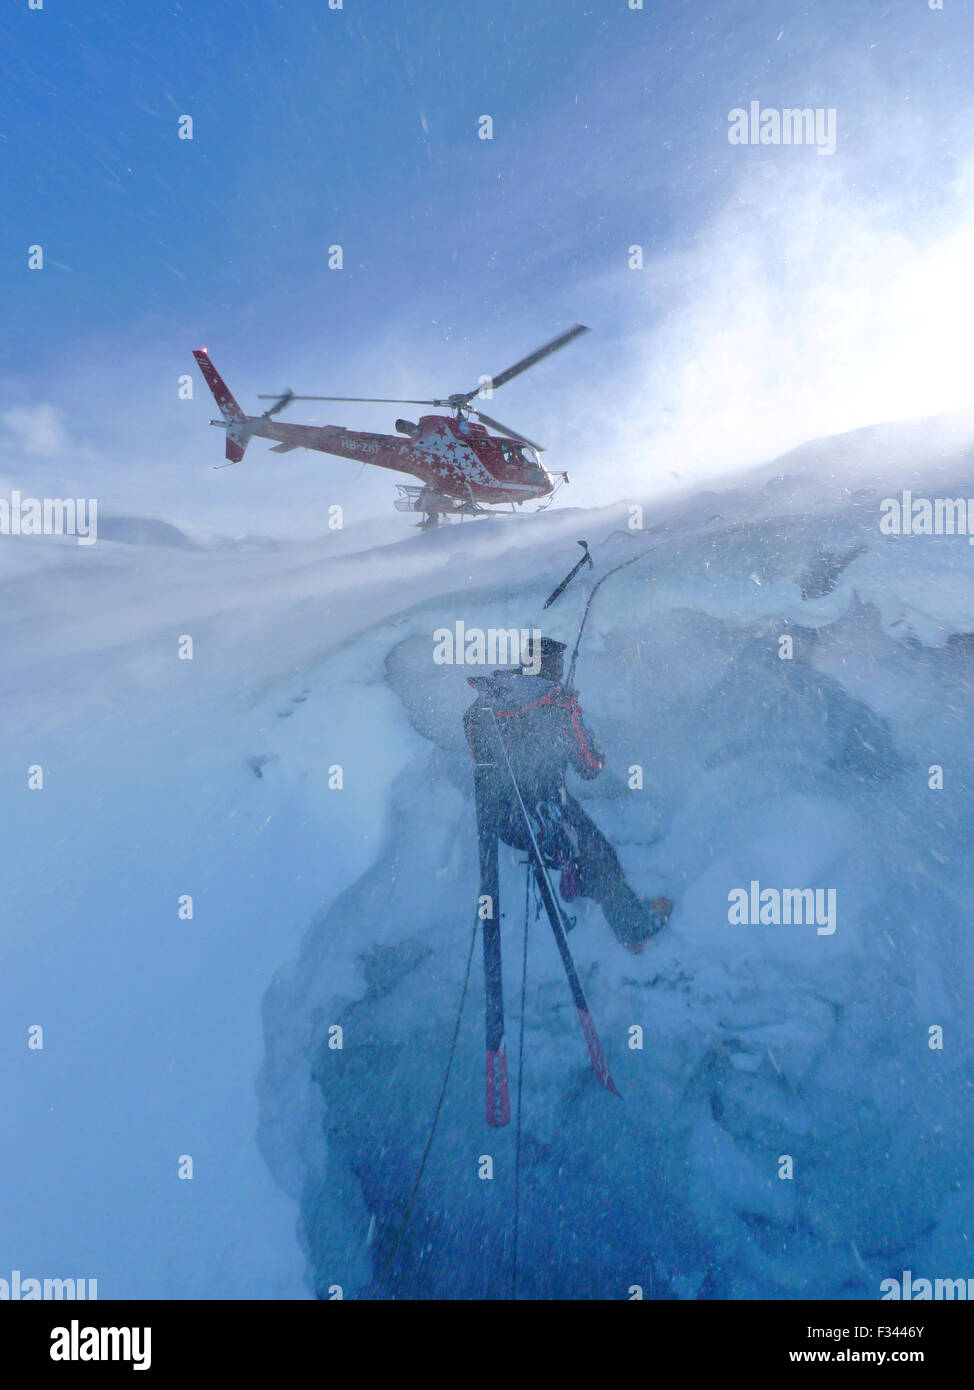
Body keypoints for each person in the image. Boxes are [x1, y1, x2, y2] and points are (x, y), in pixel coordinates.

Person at [463, 636, 671, 952]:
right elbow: (590, 766)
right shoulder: (560, 705)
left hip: (501, 817)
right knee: (601, 858)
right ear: (555, 667)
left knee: (576, 849)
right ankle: (634, 930)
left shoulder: (484, 702)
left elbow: (483, 761)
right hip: (546, 813)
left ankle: (574, 871)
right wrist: (580, 730)